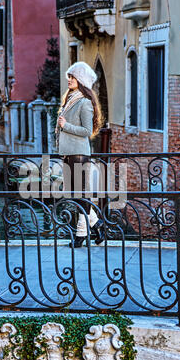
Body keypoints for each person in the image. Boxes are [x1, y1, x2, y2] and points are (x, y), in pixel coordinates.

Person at [55, 61, 105, 247]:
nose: (69, 79)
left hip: (79, 154)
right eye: (69, 76)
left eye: (73, 77)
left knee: (81, 195)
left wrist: (65, 126)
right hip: (69, 154)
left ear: (81, 80)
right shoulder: (70, 100)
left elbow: (87, 130)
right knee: (75, 195)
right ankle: (96, 224)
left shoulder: (84, 103)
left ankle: (81, 234)